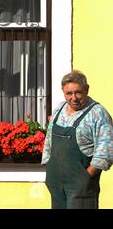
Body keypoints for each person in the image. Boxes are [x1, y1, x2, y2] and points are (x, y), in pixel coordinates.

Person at [42, 70, 113, 209]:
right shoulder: (59, 109)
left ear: (86, 89)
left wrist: (86, 177)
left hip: (81, 186)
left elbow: (106, 151)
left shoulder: (98, 114)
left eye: (78, 92)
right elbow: (49, 141)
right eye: (69, 93)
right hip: (56, 183)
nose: (73, 98)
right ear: (63, 92)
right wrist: (48, 166)